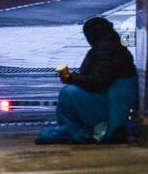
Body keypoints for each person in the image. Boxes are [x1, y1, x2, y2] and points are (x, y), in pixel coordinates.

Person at [37, 16, 138, 144]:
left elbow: (98, 82)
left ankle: (70, 129)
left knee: (68, 93)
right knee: (71, 91)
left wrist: (71, 78)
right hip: (114, 97)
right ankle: (71, 129)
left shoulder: (106, 49)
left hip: (113, 104)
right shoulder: (111, 45)